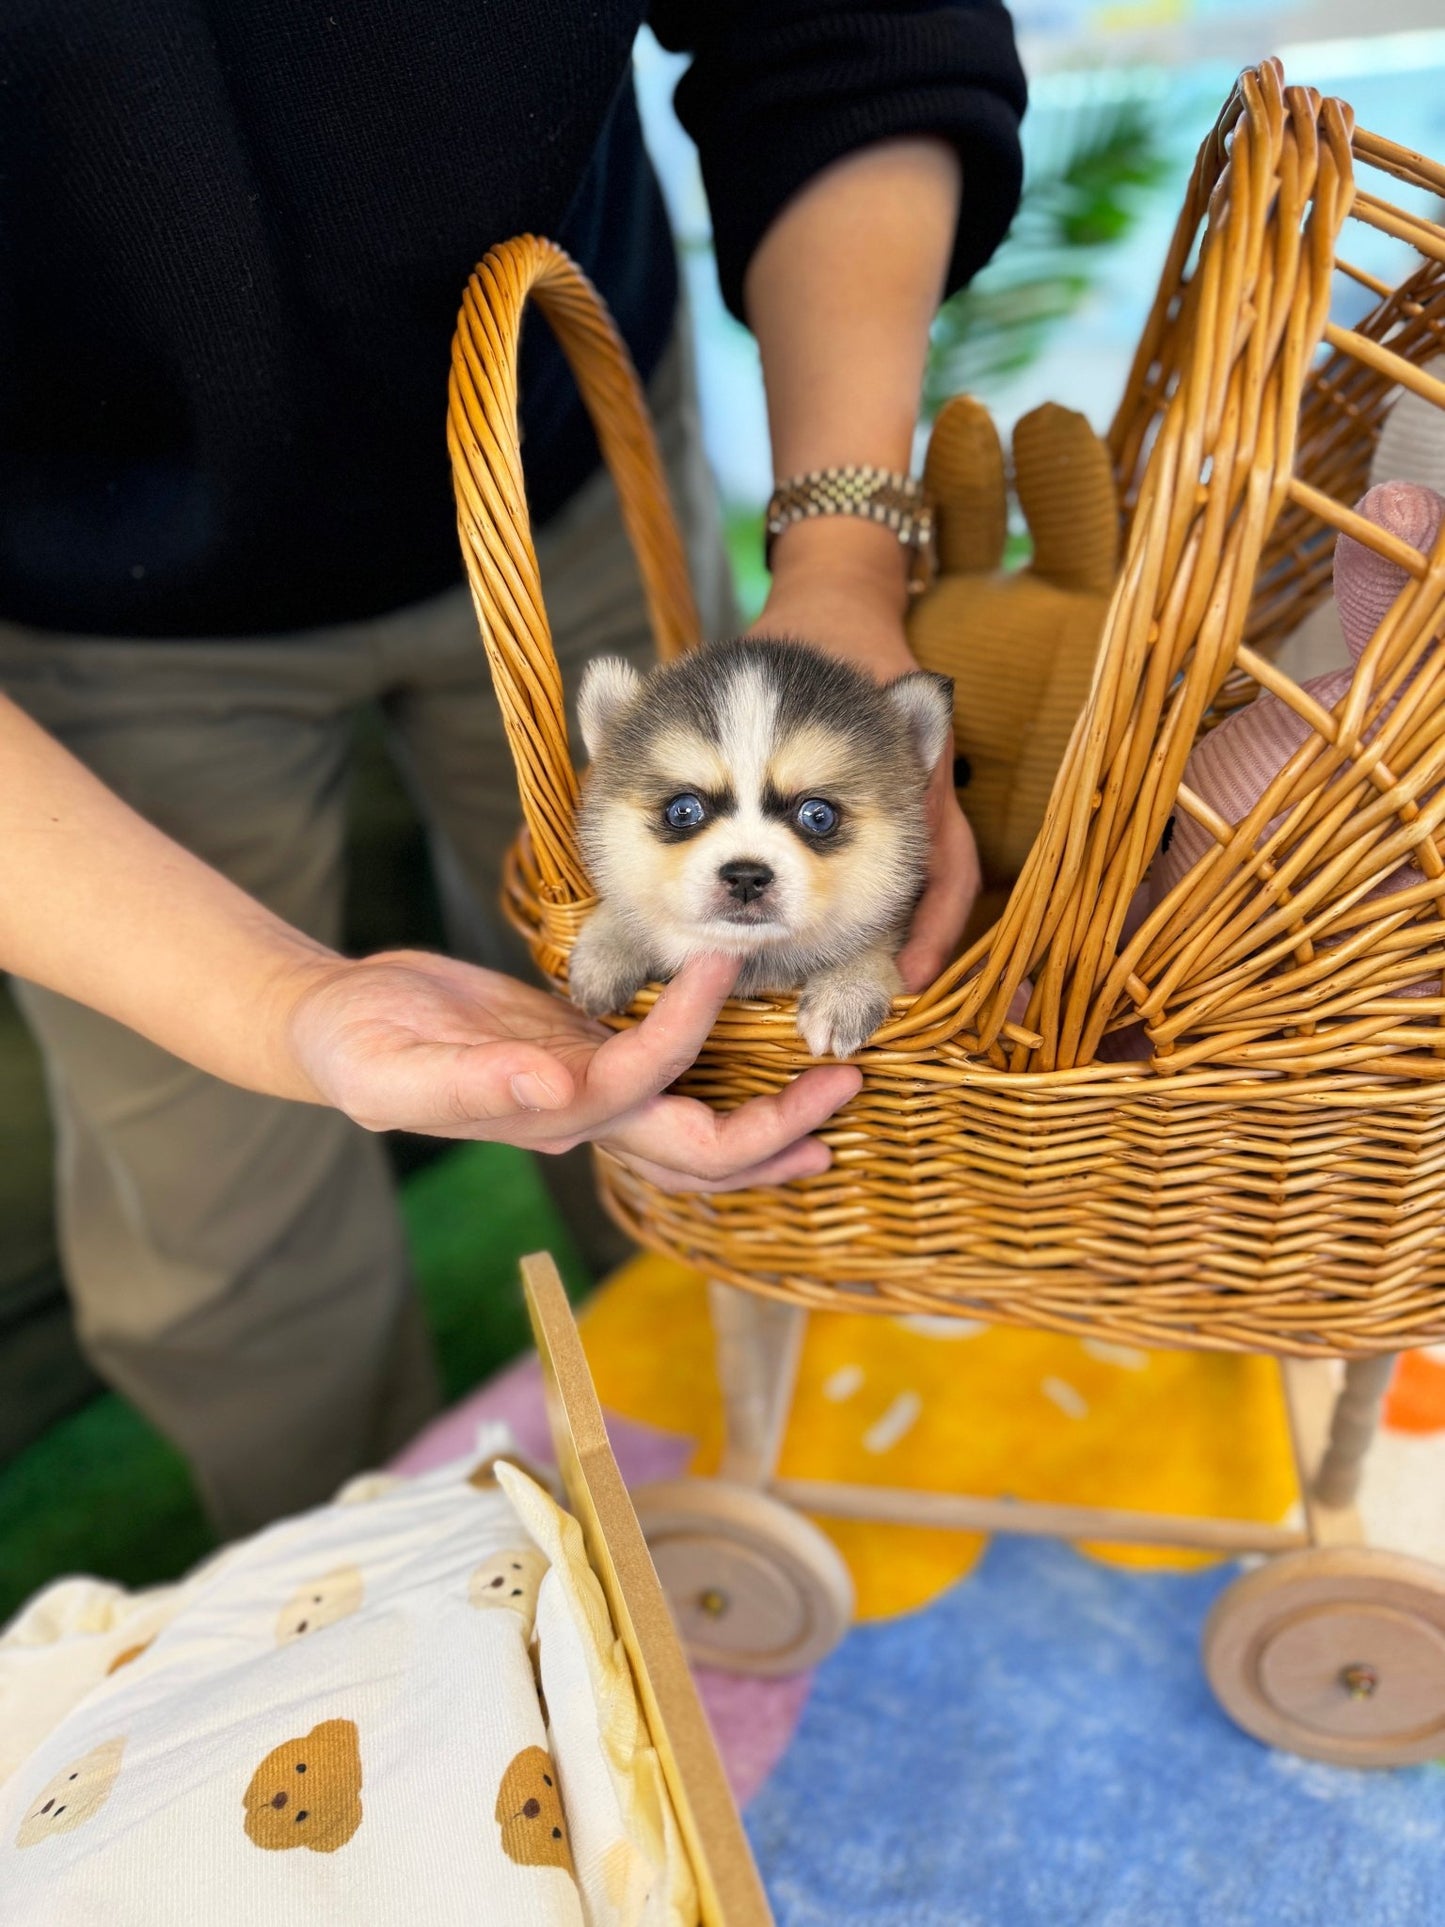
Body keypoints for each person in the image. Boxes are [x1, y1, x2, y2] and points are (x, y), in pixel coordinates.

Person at [0, 3, 1026, 1536]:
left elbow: (848, 38)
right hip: (78, 587)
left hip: (564, 446)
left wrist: (842, 557)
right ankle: (346, 1592)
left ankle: (751, 1478)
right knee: (220, 1218)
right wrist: (277, 1005)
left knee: (723, 1089)